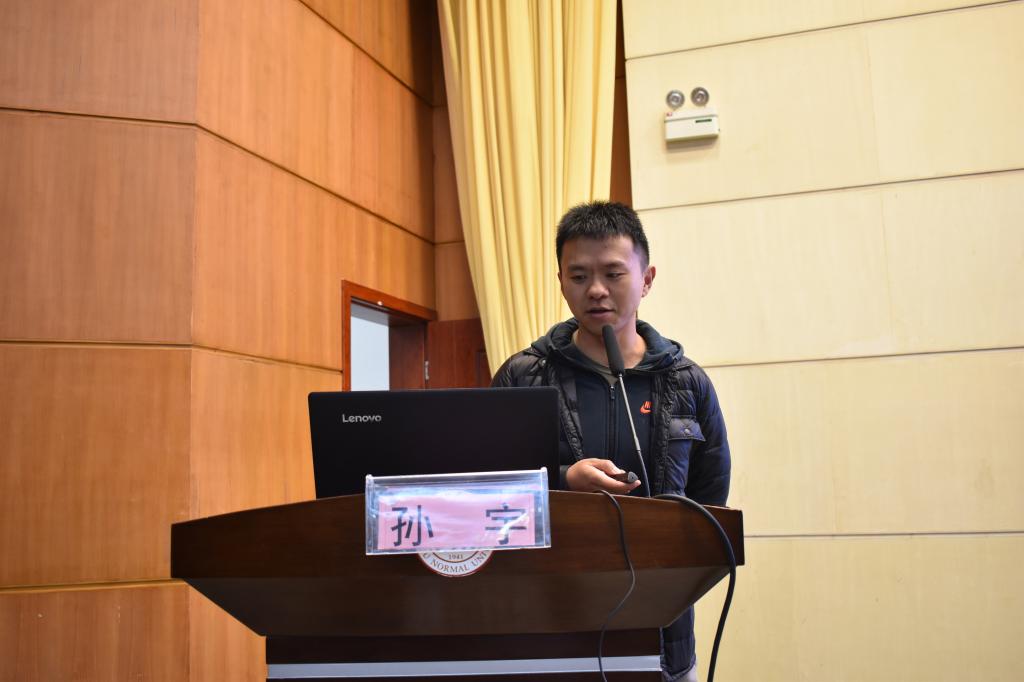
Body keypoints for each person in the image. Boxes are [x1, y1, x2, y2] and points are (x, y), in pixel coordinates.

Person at [491, 201, 731, 681]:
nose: (596, 290)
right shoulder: (523, 376)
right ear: (561, 281)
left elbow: (709, 504)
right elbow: (489, 493)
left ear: (646, 279)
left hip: (661, 632)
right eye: (579, 276)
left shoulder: (687, 382)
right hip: (550, 626)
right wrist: (563, 481)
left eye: (613, 274)